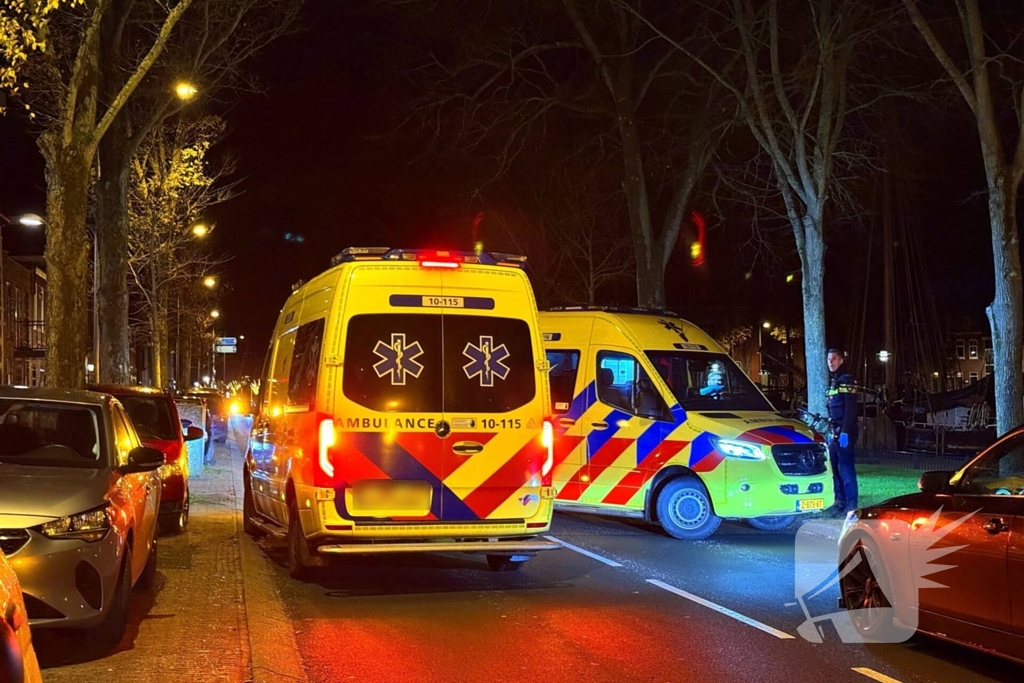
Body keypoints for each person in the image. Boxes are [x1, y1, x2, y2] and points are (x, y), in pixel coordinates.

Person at [826, 348, 858, 514]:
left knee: (846, 469)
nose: (831, 362)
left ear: (841, 361)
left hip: (845, 431)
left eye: (834, 359)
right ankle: (840, 502)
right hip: (834, 431)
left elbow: (851, 409)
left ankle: (852, 505)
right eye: (829, 359)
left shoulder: (847, 380)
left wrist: (845, 431)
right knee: (835, 469)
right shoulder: (834, 381)